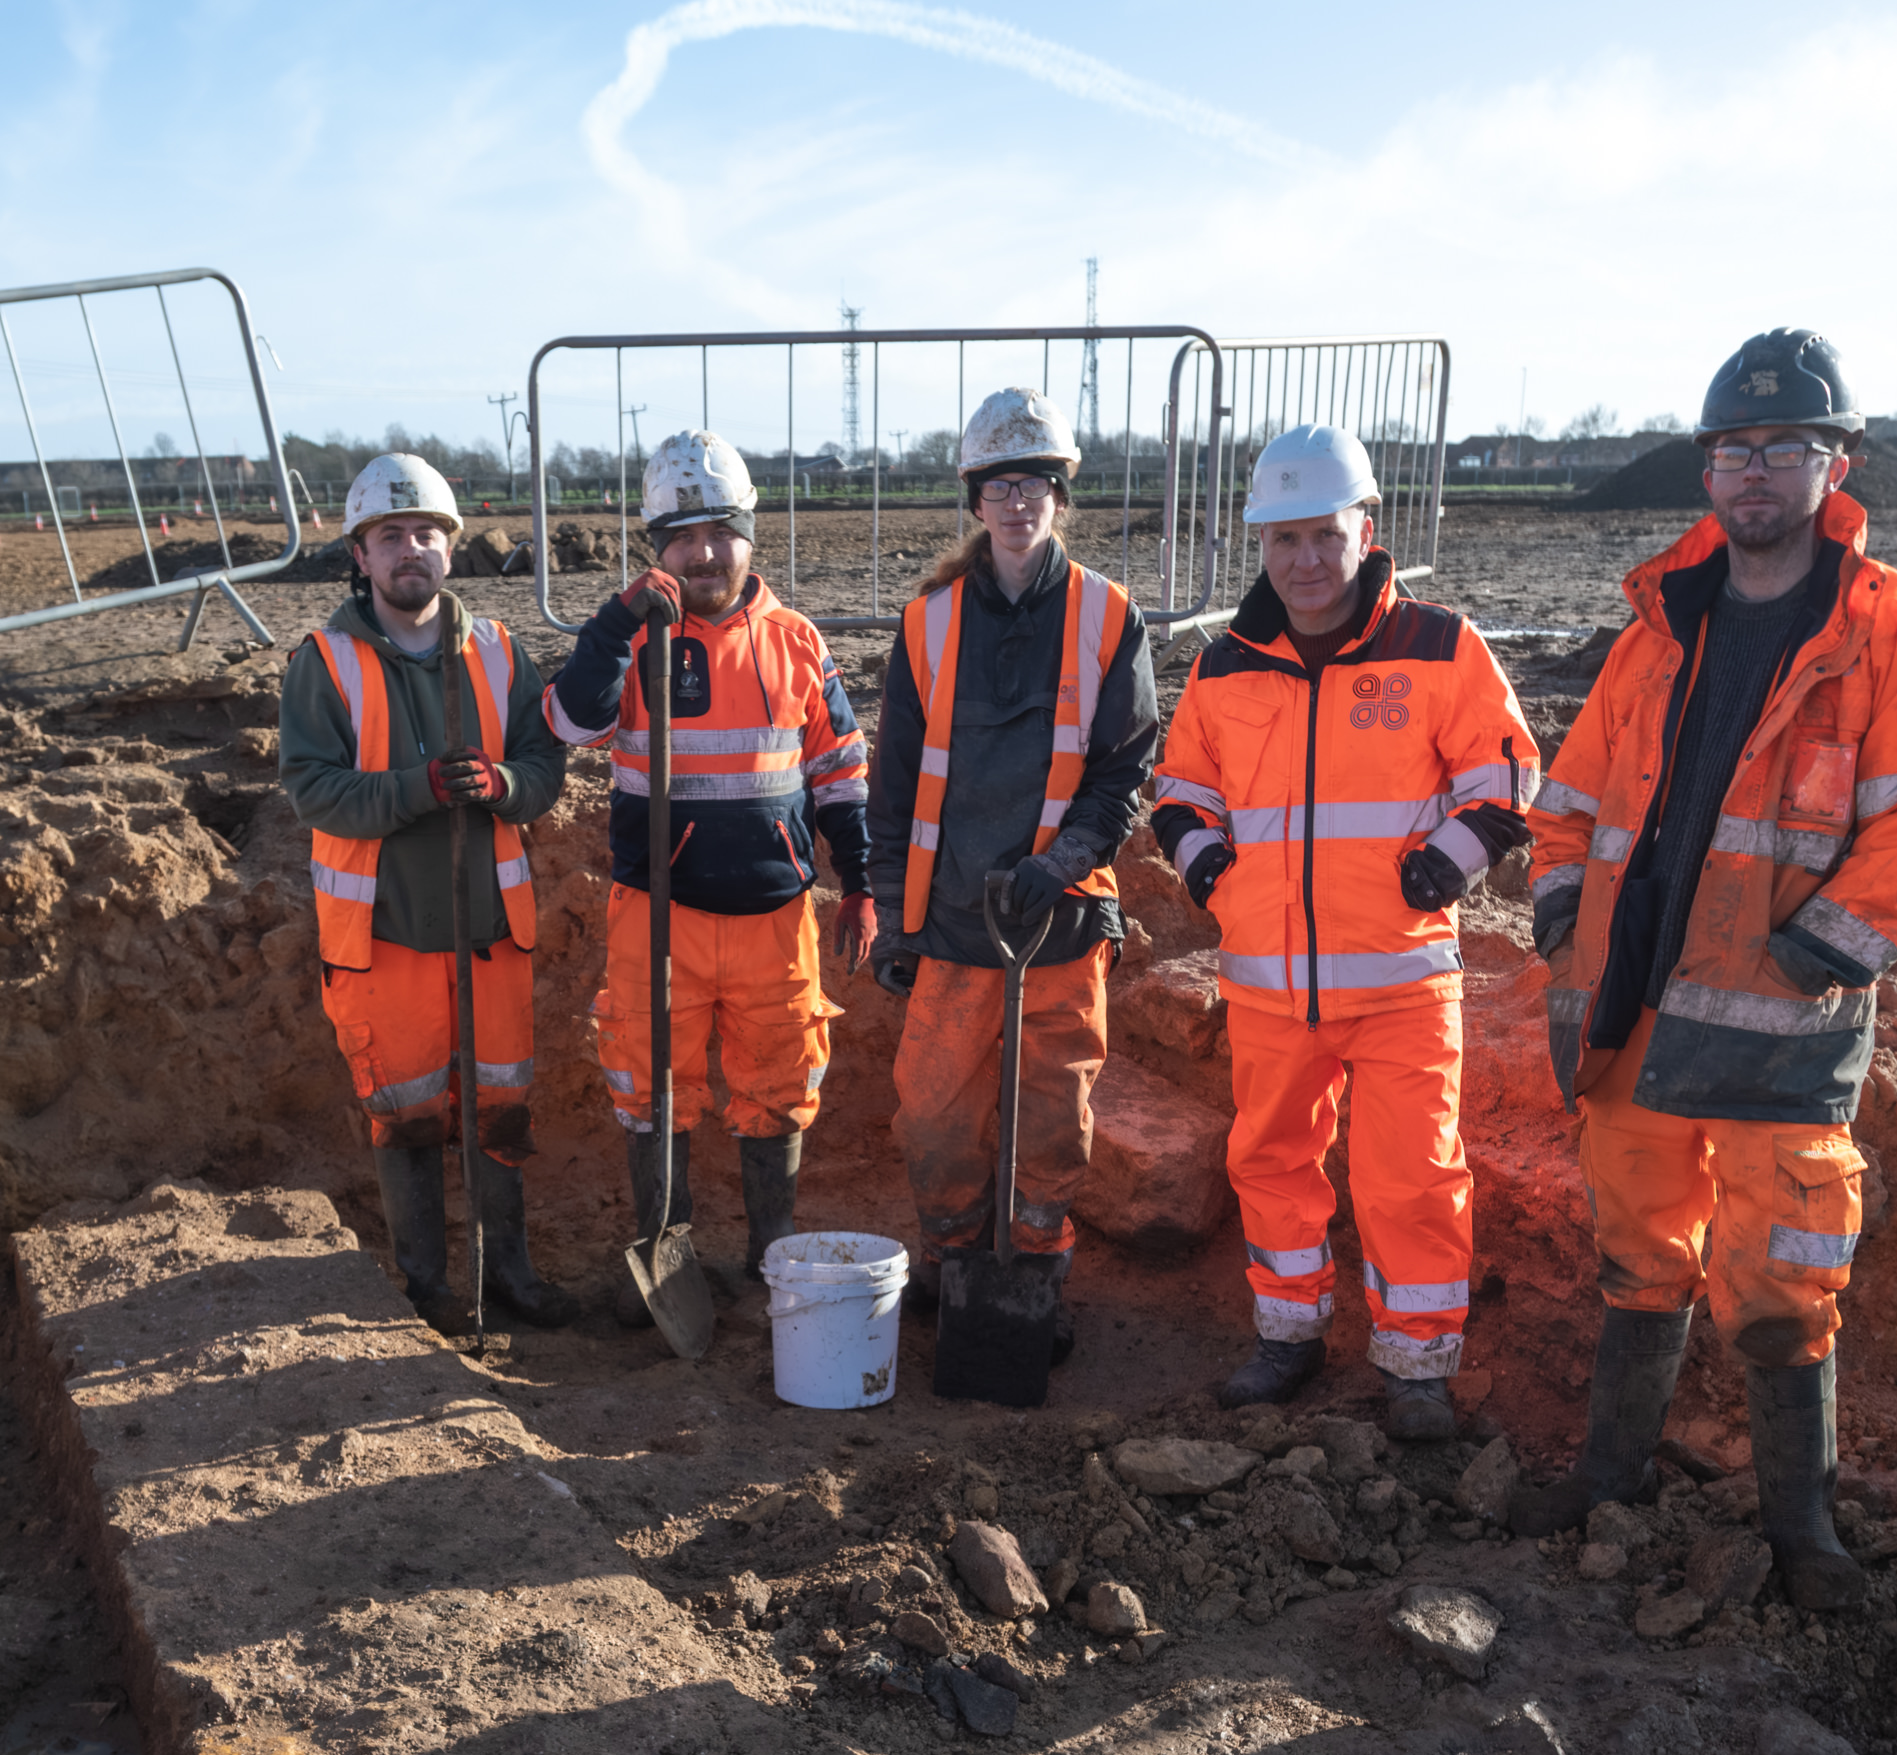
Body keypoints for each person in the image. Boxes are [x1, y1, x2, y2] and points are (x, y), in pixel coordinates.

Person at [1509, 329, 1897, 1608]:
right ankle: (1607, 1477)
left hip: (1781, 1017)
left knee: (1783, 1274)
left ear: (1837, 465)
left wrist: (1820, 950)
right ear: (1707, 470)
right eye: (1735, 449)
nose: (1757, 471)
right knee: (1636, 1250)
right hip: (1631, 1008)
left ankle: (1802, 1531)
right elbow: (1569, 802)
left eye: (1786, 446)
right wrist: (1560, 913)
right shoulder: (1658, 627)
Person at [1145, 424, 1540, 1443]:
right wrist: (1212, 872)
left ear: (1367, 528)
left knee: (1412, 1177)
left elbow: (1504, 772)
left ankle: (1416, 1367)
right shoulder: (1223, 667)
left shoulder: (1438, 646)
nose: (1307, 560)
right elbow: (1181, 791)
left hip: (1403, 979)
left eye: (1325, 533)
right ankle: (1287, 1336)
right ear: (1260, 544)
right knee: (1271, 1161)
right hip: (1268, 981)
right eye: (1285, 539)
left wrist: (1444, 863)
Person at [859, 387, 1161, 1371]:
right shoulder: (929, 622)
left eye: (1034, 482)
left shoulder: (1108, 616)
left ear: (1060, 495)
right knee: (936, 1112)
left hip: (1058, 919)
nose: (1017, 501)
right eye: (999, 485)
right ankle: (954, 1262)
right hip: (953, 917)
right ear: (975, 500)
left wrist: (1061, 865)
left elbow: (1123, 770)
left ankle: (1033, 1270)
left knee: (1051, 1117)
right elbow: (894, 785)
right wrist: (894, 920)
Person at [545, 430, 871, 1316]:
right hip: (658, 916)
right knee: (652, 1086)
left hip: (776, 917)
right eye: (681, 537)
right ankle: (667, 1252)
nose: (704, 554)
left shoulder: (796, 642)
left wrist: (861, 883)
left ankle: (772, 1255)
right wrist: (615, 625)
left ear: (749, 534)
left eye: (720, 531)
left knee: (781, 1083)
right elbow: (570, 724)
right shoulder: (633, 640)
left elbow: (840, 772)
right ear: (657, 548)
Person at [277, 451, 580, 1333]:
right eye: (390, 536)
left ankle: (509, 1272)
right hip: (385, 937)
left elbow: (543, 765)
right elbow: (313, 790)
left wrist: (503, 785)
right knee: (406, 1114)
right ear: (360, 555)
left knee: (499, 1107)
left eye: (426, 534)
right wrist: (418, 789)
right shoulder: (325, 663)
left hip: (489, 932)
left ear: (451, 548)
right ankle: (426, 1288)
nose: (411, 549)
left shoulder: (499, 653)